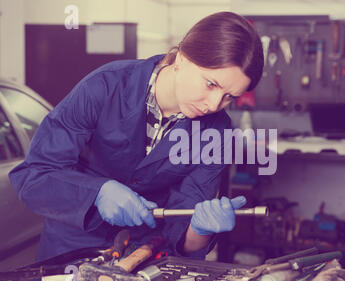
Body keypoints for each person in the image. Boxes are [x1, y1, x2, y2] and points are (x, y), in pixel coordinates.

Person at [9, 11, 264, 262]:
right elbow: (34, 176)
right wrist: (97, 192)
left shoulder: (216, 132)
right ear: (182, 58)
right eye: (211, 84)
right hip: (71, 251)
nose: (214, 103)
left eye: (229, 96)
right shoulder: (105, 87)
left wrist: (201, 230)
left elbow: (184, 238)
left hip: (145, 256)